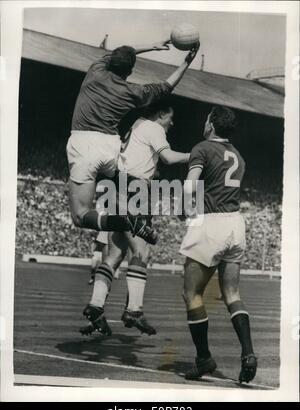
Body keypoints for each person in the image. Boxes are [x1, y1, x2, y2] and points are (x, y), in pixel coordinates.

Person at [66, 38, 199, 245]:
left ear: (111, 61)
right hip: (111, 147)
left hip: (84, 144)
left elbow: (121, 54)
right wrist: (186, 62)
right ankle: (139, 198)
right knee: (118, 178)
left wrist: (149, 45)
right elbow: (166, 87)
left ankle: (127, 221)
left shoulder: (96, 70)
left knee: (80, 216)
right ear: (129, 71)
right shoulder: (132, 92)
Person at [80, 102, 190, 336]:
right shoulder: (154, 128)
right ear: (161, 113)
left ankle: (96, 305)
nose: (172, 123)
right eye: (170, 116)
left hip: (117, 186)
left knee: (115, 254)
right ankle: (134, 310)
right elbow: (168, 158)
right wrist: (196, 155)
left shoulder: (137, 124)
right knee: (141, 252)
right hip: (134, 189)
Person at [180, 105, 257, 384]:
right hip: (235, 224)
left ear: (211, 123)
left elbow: (190, 188)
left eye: (206, 118)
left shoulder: (202, 148)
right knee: (232, 293)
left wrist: (183, 206)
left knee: (192, 295)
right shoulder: (239, 156)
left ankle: (204, 359)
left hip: (210, 223)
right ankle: (248, 354)